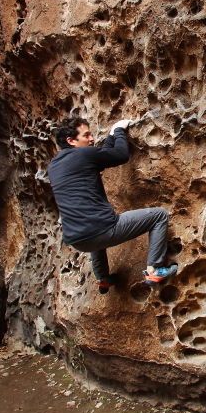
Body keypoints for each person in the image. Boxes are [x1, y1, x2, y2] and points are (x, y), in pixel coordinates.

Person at [47, 116, 178, 294]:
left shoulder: (54, 166)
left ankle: (103, 278)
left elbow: (100, 159)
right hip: (104, 230)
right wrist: (118, 131)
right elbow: (121, 155)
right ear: (71, 141)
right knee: (159, 215)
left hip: (77, 240)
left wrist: (110, 137)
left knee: (92, 232)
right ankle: (154, 270)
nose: (91, 138)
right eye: (86, 135)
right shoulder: (83, 155)